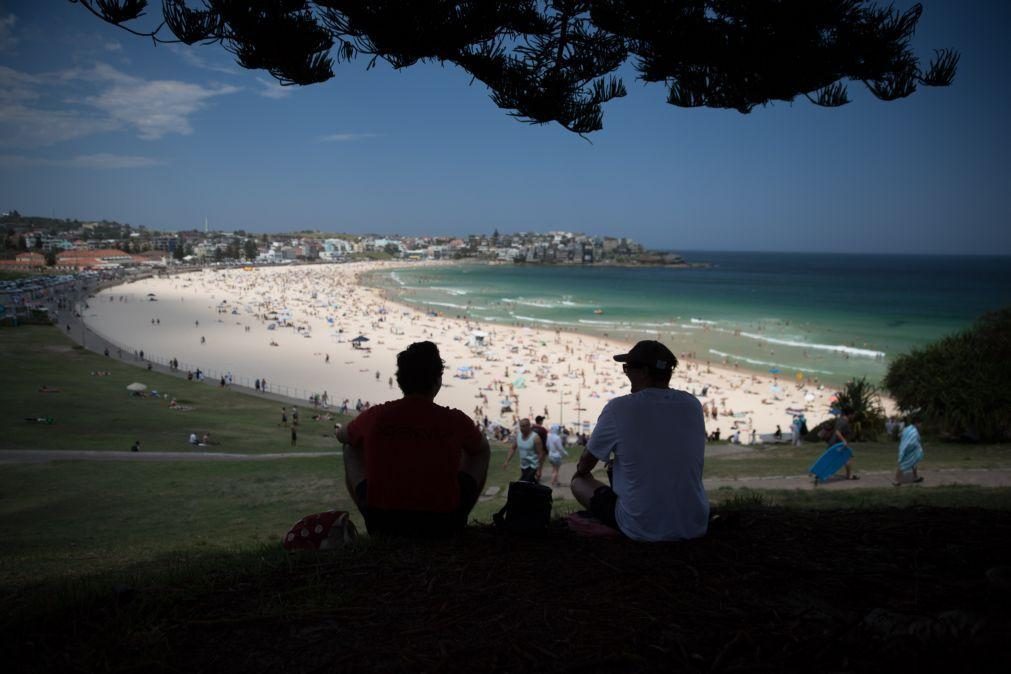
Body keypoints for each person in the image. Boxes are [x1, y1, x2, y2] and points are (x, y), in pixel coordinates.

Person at [337, 341, 490, 538]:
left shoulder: (376, 416)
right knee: (479, 449)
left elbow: (343, 436)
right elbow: (481, 449)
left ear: (400, 380)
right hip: (443, 522)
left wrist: (343, 429)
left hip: (384, 521)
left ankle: (370, 520)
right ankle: (461, 517)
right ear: (437, 380)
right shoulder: (455, 420)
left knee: (350, 448)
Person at [571, 340, 708, 542]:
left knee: (578, 481)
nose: (626, 374)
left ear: (643, 372)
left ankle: (619, 525)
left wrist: (585, 471)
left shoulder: (619, 408)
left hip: (642, 526)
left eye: (627, 368)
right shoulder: (692, 404)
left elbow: (585, 464)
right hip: (694, 522)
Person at [503, 418, 546, 483]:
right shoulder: (518, 435)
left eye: (524, 426)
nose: (521, 428)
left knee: (522, 484)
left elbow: (540, 454)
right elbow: (513, 448)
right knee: (531, 485)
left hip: (532, 466)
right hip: (523, 466)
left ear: (529, 426)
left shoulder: (535, 438)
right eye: (521, 426)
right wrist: (507, 461)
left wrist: (538, 469)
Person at [894, 416, 925, 486]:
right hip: (908, 450)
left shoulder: (908, 429)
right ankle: (896, 480)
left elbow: (901, 435)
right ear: (917, 423)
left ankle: (915, 477)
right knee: (903, 464)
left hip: (907, 449)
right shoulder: (913, 431)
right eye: (920, 424)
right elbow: (912, 442)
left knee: (914, 463)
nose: (921, 425)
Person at [831, 406, 859, 480]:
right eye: (853, 414)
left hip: (838, 444)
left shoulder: (842, 421)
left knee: (845, 458)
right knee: (847, 458)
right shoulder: (842, 421)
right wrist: (844, 441)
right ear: (849, 414)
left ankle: (848, 475)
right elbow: (837, 432)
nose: (854, 416)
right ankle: (849, 476)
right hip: (838, 444)